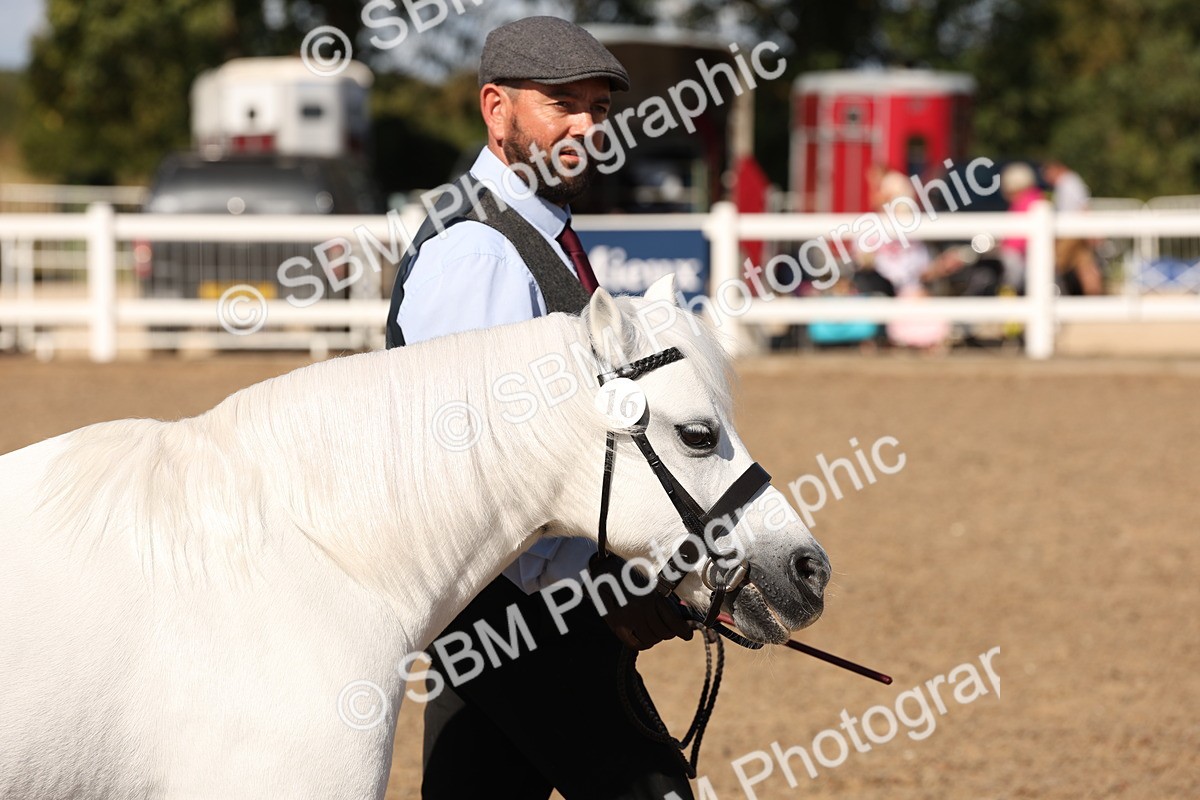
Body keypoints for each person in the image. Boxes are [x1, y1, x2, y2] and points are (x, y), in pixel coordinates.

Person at [384, 16, 695, 800]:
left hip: (518, 604)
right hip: (517, 610)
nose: (589, 126)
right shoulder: (478, 250)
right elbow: (479, 471)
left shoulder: (535, 231)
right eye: (563, 104)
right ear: (497, 110)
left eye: (598, 107)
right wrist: (604, 597)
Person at [1042, 159, 1103, 295]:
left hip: (1071, 232)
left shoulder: (1069, 182)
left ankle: (1051, 295)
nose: (1047, 178)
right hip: (1074, 230)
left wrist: (1091, 230)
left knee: (1054, 262)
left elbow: (1083, 207)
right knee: (1085, 264)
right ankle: (1094, 296)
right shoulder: (1070, 182)